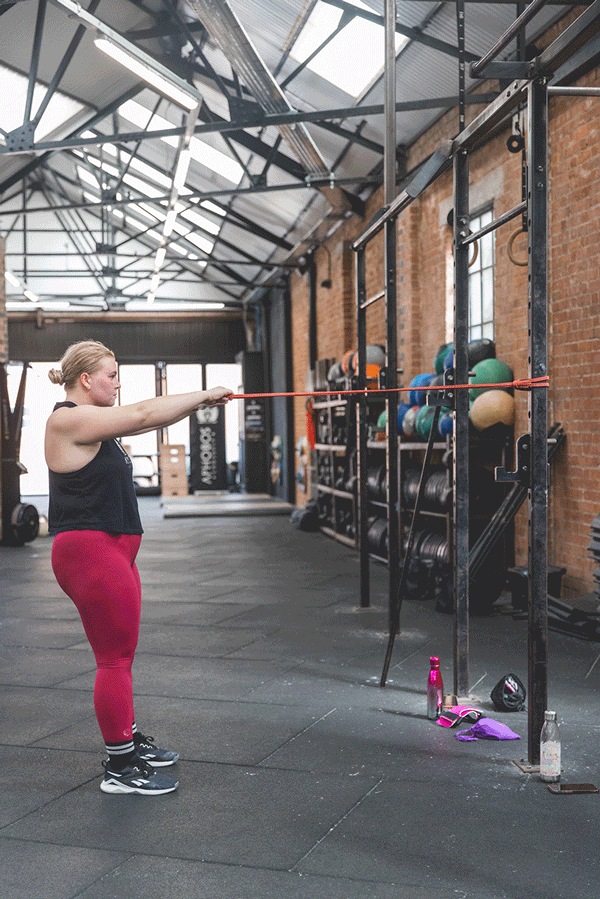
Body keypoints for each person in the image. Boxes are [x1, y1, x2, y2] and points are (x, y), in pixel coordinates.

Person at [44, 340, 233, 795]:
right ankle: (120, 769)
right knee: (113, 660)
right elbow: (146, 414)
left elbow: (147, 417)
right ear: (86, 379)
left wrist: (197, 403)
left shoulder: (99, 428)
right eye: (111, 374)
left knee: (122, 657)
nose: (118, 382)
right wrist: (205, 395)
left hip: (112, 552)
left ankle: (126, 740)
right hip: (90, 552)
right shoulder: (67, 418)